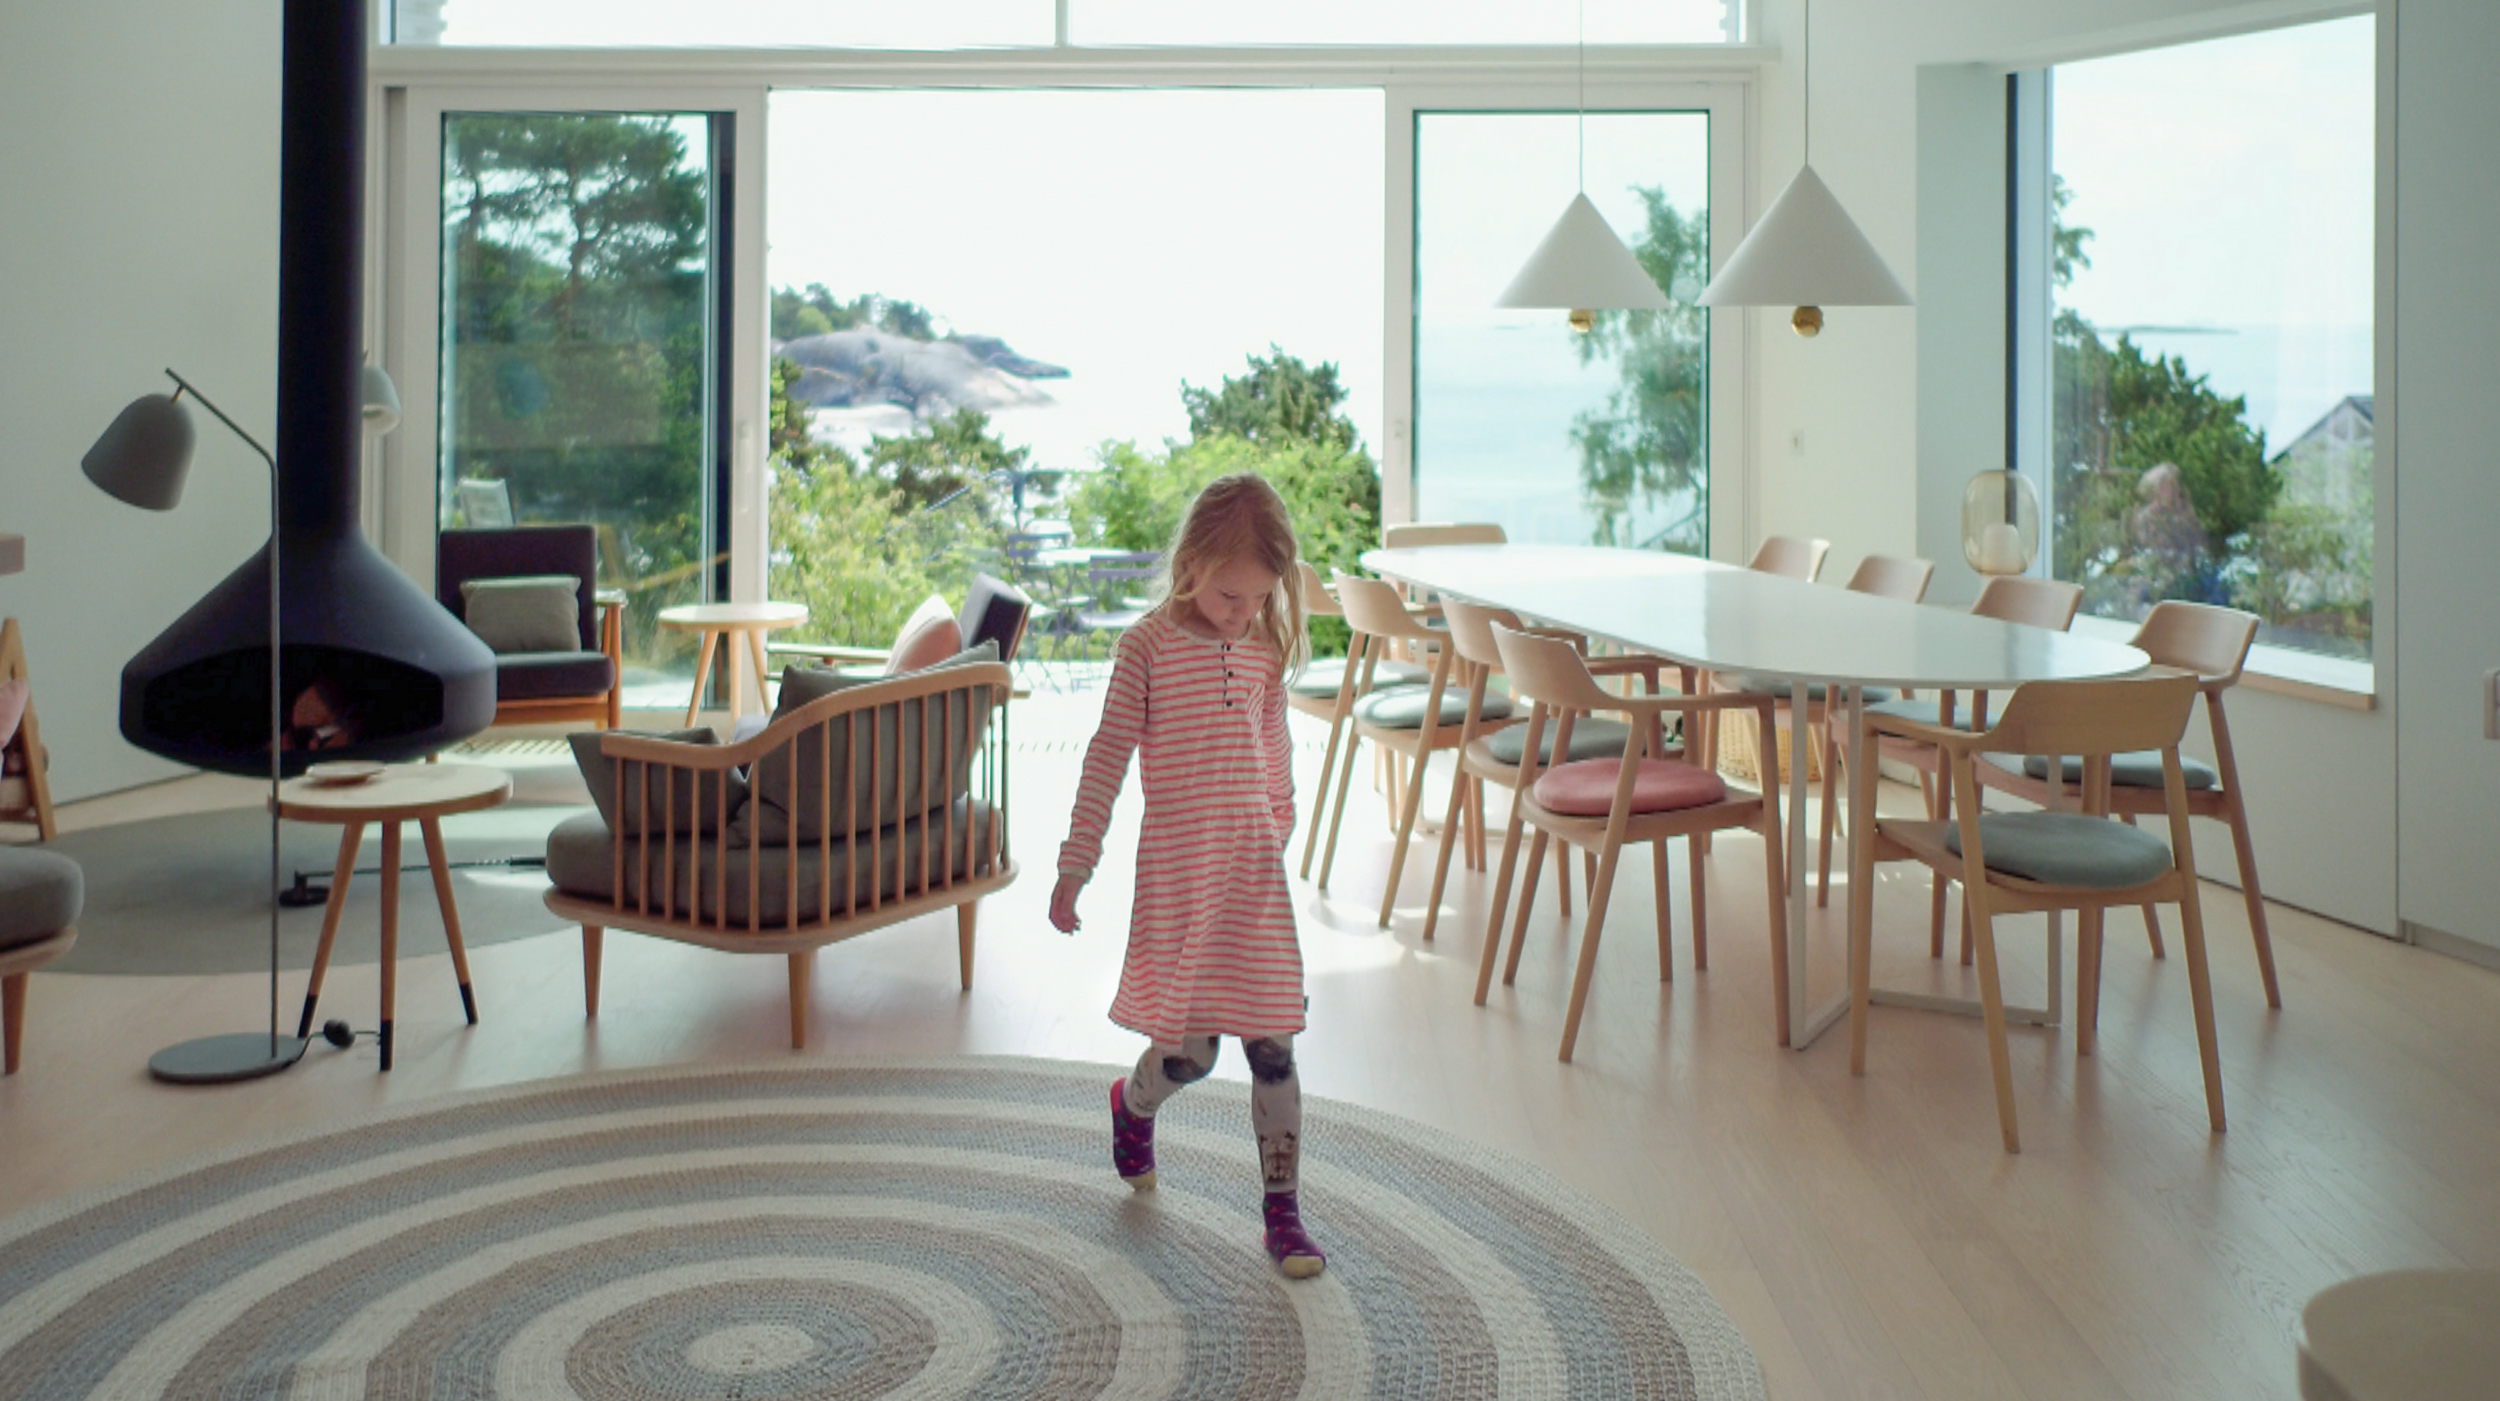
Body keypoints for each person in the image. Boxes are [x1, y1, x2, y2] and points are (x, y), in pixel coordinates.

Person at [1048, 474, 1324, 1279]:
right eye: (1231, 594)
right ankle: (1131, 1105)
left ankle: (1284, 1214)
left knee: (1273, 1043)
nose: (1243, 613)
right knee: (1193, 1054)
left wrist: (1280, 820)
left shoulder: (1264, 647)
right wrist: (1077, 860)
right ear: (1191, 561)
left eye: (1258, 598)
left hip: (1251, 871)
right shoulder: (1148, 646)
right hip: (1180, 871)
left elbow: (1274, 745)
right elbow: (1106, 755)